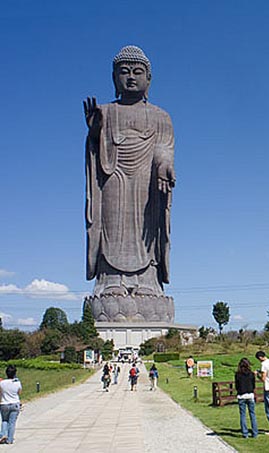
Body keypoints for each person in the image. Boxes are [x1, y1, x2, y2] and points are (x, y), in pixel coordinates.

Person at [83, 45, 176, 321]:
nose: (131, 77)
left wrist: (164, 167)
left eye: (138, 72)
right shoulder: (106, 112)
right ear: (114, 78)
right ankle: (110, 281)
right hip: (113, 179)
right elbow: (96, 153)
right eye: (124, 72)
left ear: (149, 79)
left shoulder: (161, 117)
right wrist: (95, 132)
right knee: (111, 226)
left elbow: (164, 148)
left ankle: (148, 282)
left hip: (147, 185)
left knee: (148, 230)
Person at [235, 358, 258, 439]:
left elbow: (237, 386)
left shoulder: (238, 374)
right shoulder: (251, 374)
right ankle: (255, 433)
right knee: (252, 414)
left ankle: (245, 433)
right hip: (250, 395)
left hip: (241, 395)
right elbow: (253, 385)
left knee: (243, 415)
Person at [0, 365, 22, 445]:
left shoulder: (2, 383)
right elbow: (19, 393)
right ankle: (10, 439)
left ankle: (3, 435)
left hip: (4, 404)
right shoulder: (17, 383)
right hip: (15, 403)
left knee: (4, 420)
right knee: (12, 422)